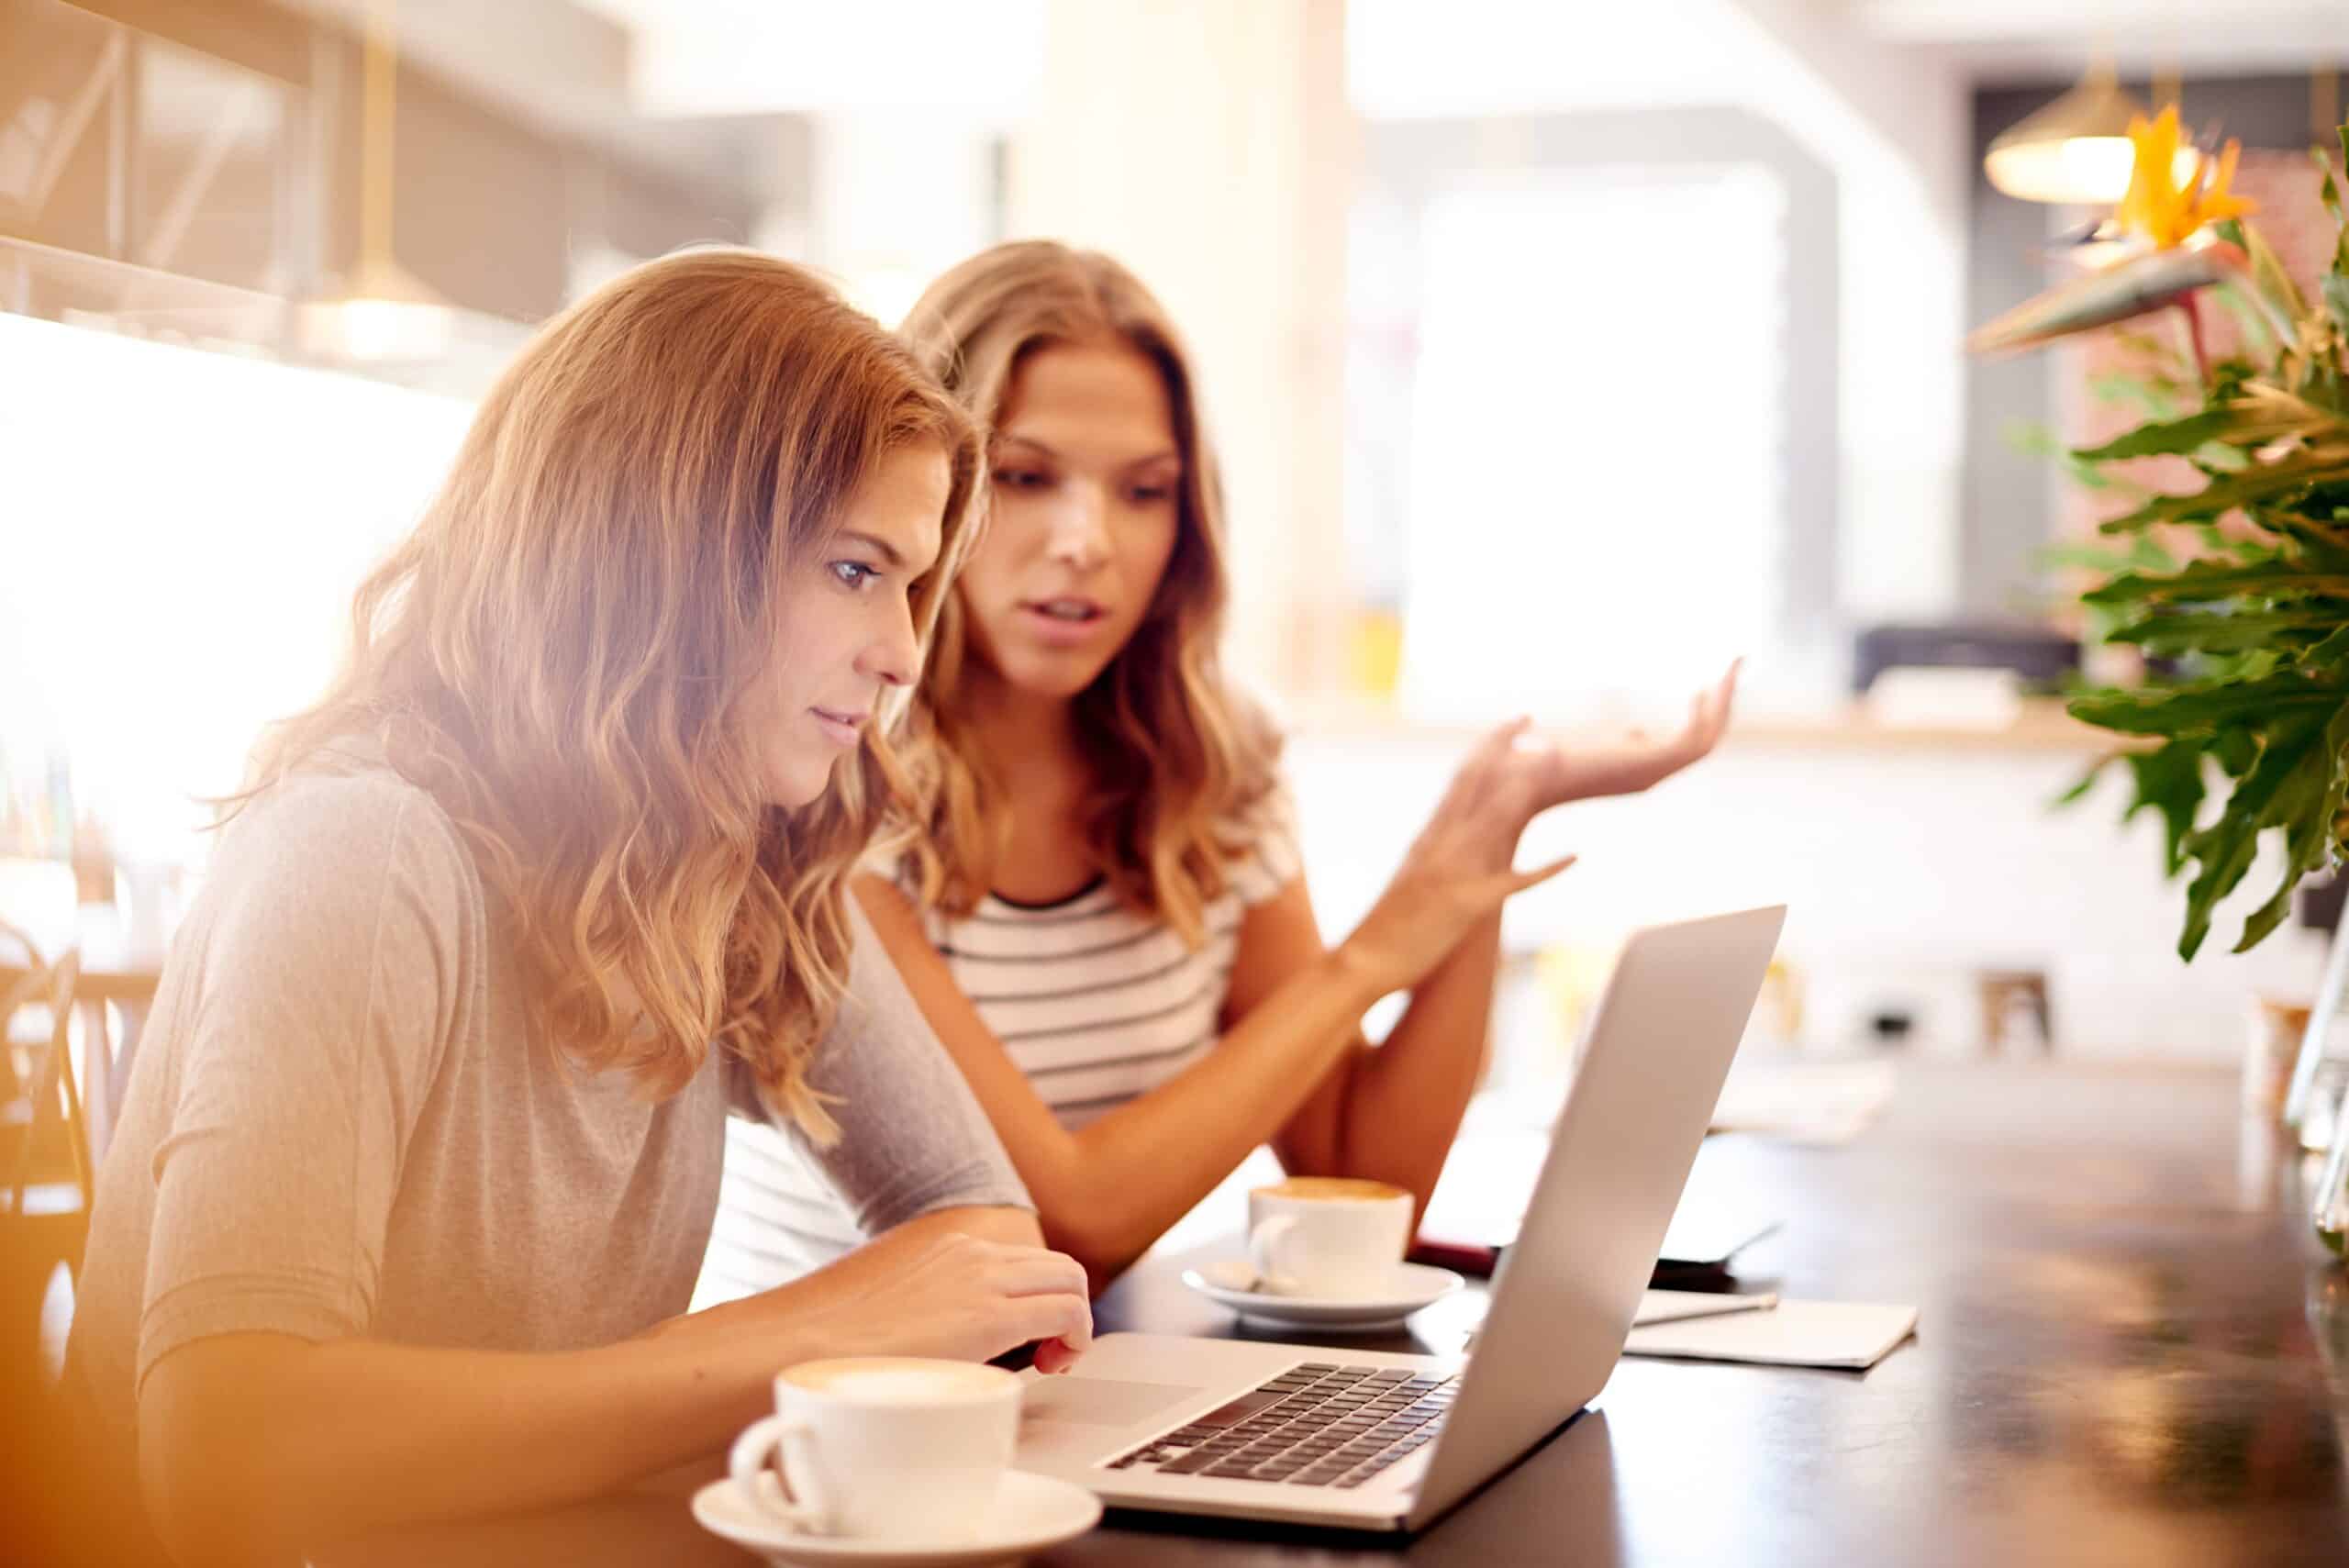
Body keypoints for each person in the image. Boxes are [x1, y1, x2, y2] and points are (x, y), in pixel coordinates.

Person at [59, 250, 1090, 1568]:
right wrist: (801, 1333)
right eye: (852, 569)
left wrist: (866, 1319)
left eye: (910, 581)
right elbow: (223, 1455)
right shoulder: (366, 848)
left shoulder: (741, 851)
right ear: (665, 551)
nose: (899, 650)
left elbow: (985, 1237)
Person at [702, 241, 1736, 1299]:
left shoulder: (1211, 763)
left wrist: (1486, 832)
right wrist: (1376, 950)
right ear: (931, 486)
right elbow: (1058, 1221)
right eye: (1023, 476)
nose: (1086, 540)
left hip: (1078, 1389)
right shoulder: (825, 773)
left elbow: (1362, 1177)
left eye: (1144, 490)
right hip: (842, 1428)